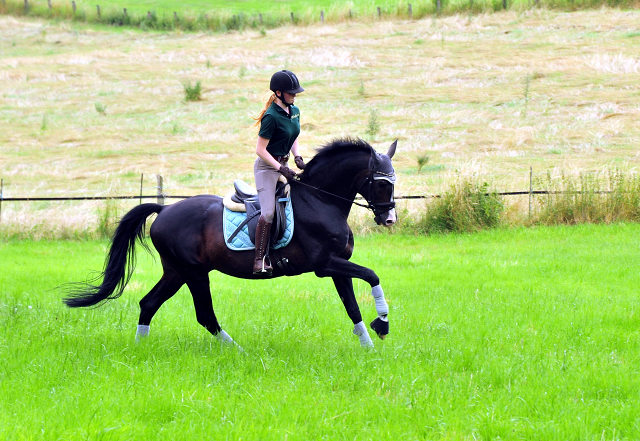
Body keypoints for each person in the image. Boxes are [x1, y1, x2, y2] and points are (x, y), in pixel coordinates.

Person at [251, 70, 306, 276]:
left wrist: (298, 156)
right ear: (279, 93)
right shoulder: (271, 117)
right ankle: (259, 259)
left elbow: (293, 135)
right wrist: (280, 167)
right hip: (267, 168)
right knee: (268, 213)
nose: (295, 95)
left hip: (285, 166)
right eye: (291, 92)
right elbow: (260, 150)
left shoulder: (295, 111)